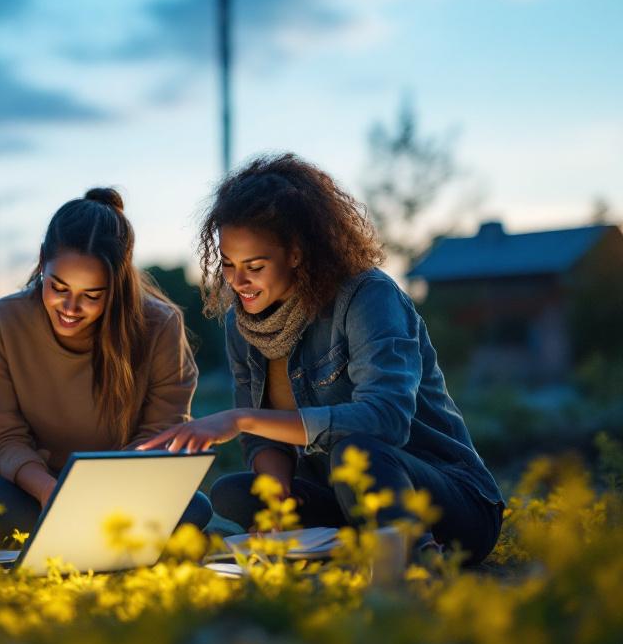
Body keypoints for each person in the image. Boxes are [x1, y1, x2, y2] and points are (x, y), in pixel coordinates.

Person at [137, 154, 503, 564]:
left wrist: (239, 419)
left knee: (358, 456)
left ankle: (414, 561)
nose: (238, 281)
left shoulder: (367, 297)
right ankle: (343, 546)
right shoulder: (240, 324)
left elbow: (387, 419)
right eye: (228, 265)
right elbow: (263, 438)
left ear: (296, 253)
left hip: (443, 498)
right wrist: (276, 499)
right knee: (235, 493)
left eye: (254, 266)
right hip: (340, 492)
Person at [0, 188, 212, 547]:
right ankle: (115, 545)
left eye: (92, 296)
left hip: (125, 489)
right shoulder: (2, 321)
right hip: (37, 491)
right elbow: (4, 437)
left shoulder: (160, 325)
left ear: (118, 283)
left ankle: (83, 542)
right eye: (58, 287)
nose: (70, 307)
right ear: (41, 263)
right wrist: (53, 494)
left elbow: (163, 432)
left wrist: (99, 494)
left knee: (192, 509)